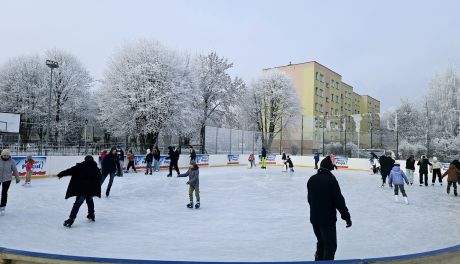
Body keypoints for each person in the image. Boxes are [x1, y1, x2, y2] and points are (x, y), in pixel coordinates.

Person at [307, 155, 351, 261]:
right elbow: (339, 201)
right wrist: (346, 216)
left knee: (321, 243)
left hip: (315, 219)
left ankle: (317, 261)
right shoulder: (331, 180)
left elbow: (310, 200)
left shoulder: (312, 179)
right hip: (327, 220)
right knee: (330, 246)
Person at [57, 155, 102, 228]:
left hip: (82, 190)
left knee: (77, 204)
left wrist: (61, 174)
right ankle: (91, 214)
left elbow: (70, 171)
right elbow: (100, 177)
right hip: (90, 189)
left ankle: (71, 218)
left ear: (85, 160)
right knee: (89, 200)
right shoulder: (95, 168)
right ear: (92, 160)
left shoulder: (80, 166)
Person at [0, 149, 20, 215]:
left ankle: (2, 207)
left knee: (4, 193)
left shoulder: (12, 161)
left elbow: (15, 170)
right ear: (2, 155)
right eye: (4, 155)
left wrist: (17, 178)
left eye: (7, 155)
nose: (5, 156)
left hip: (7, 179)